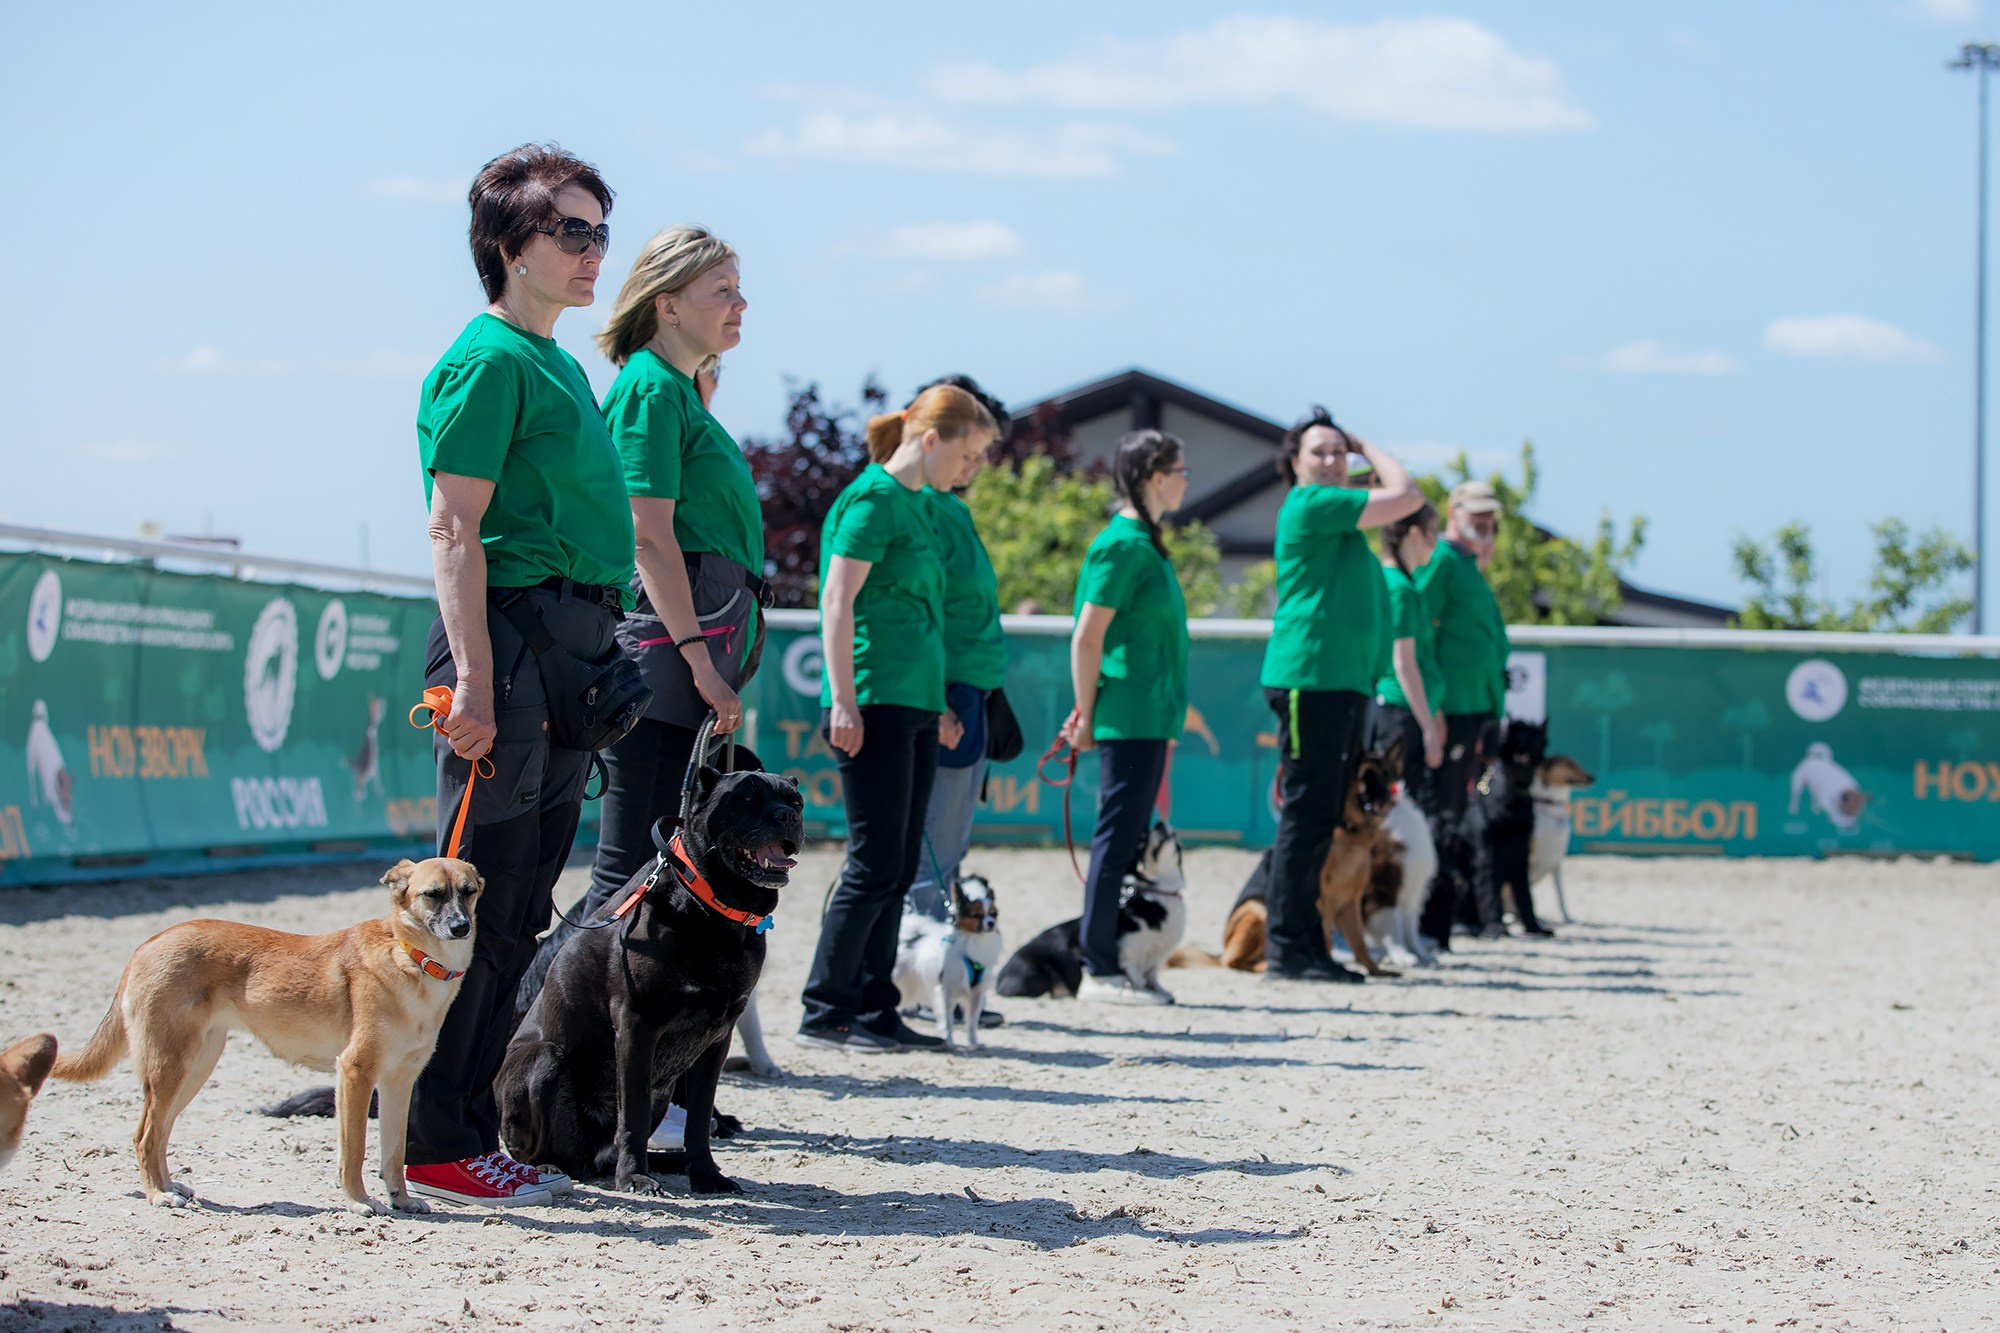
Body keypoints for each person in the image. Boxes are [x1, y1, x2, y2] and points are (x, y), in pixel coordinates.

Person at [409, 143, 624, 1207]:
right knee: (470, 908)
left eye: (599, 230)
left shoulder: (560, 365)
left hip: (569, 648)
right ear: (507, 246)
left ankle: (466, 1130)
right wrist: (479, 688)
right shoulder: (488, 359)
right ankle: (431, 1140)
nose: (593, 251)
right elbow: (454, 524)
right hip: (507, 645)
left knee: (524, 905)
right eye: (570, 231)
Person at [518, 226, 762, 1009]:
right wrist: (696, 658)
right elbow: (648, 534)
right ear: (667, 303)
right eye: (720, 289)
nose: (740, 303)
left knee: (657, 874)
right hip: (663, 664)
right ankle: (529, 1053)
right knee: (629, 875)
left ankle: (624, 1077)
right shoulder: (652, 388)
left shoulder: (674, 390)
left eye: (738, 287)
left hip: (687, 662)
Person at [799, 385, 999, 1052]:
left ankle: (876, 1003)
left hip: (913, 699)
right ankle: (826, 1006)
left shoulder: (917, 506)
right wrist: (842, 698)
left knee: (898, 859)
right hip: (873, 697)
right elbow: (837, 601)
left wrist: (936, 703)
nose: (968, 468)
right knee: (873, 860)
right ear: (931, 438)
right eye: (966, 454)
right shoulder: (872, 499)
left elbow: (922, 615)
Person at [1258, 408, 1422, 983]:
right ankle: (1287, 948)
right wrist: (1365, 443)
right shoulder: (1311, 503)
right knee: (1306, 817)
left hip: (1341, 684)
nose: (1331, 461)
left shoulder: (1342, 524)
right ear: (1295, 464)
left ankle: (1310, 945)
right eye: (1320, 451)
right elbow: (1406, 494)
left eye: (1338, 452)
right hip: (1311, 682)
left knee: (1323, 815)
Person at [1061, 429, 1192, 1005]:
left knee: (1132, 842)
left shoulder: (1148, 543)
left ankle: (1125, 962)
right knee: (1115, 843)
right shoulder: (1121, 544)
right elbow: (1088, 637)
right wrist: (1086, 715)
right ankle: (1100, 968)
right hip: (1127, 718)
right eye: (1180, 469)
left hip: (1149, 717)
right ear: (1153, 476)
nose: (1188, 479)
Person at [905, 375, 1009, 927]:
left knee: (949, 846)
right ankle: (920, 966)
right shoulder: (921, 506)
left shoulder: (953, 509)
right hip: (945, 690)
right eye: (969, 451)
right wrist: (939, 696)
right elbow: (923, 611)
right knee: (931, 849)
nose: (976, 464)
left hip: (970, 686)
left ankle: (935, 966)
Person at [1416, 478, 1512, 947]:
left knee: (1483, 798)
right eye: (1475, 515)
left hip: (1482, 711)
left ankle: (1474, 910)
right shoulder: (1441, 562)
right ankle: (1437, 919)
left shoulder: (1469, 565)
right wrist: (1431, 706)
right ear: (1452, 513)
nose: (1484, 524)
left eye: (1490, 516)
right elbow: (1420, 630)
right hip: (1451, 711)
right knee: (1445, 812)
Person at [1370, 502, 1446, 809]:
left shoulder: (1401, 584)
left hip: (1407, 711)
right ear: (1414, 534)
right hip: (1400, 714)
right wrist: (1427, 727)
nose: (1435, 542)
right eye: (1432, 533)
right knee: (1398, 805)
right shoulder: (1399, 588)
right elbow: (1404, 662)